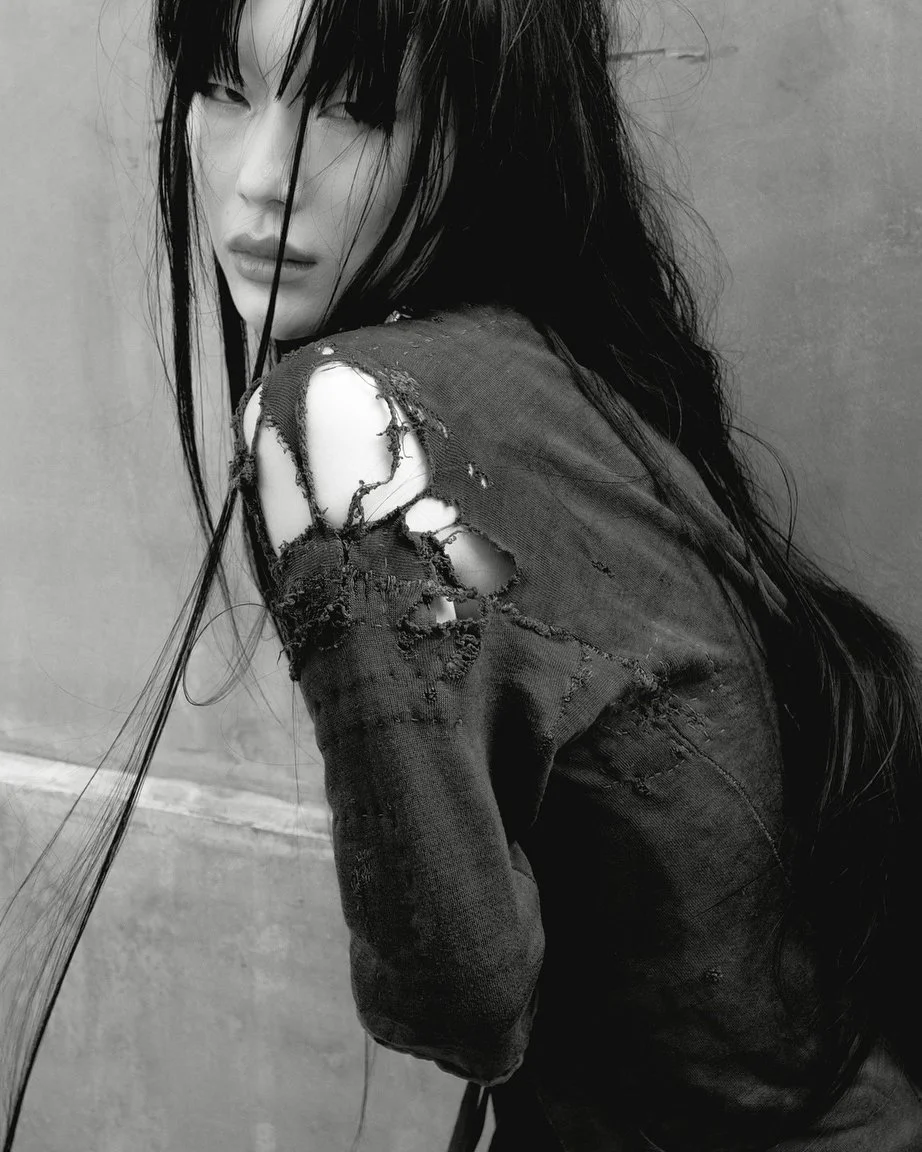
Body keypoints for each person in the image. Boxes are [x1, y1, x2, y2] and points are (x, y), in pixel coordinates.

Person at [2, 0, 921, 1149]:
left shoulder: (344, 413)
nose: (262, 179)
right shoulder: (545, 364)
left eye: (357, 106)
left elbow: (456, 993)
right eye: (223, 88)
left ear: (486, 129)